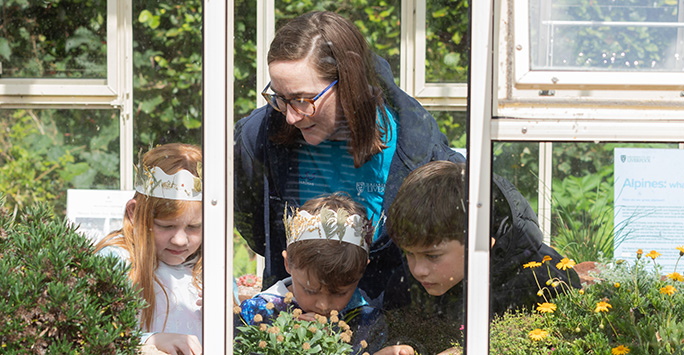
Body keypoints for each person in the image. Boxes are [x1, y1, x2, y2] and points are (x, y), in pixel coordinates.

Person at [233, 10, 465, 302]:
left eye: (303, 100)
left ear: (349, 84)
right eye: (279, 98)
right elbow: (255, 224)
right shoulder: (258, 136)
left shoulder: (415, 148)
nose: (290, 117)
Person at [382, 160, 580, 354]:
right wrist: (407, 347)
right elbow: (406, 330)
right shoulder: (404, 283)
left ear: (479, 243)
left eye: (432, 256)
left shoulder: (544, 279)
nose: (418, 270)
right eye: (409, 253)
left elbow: (568, 341)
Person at [234, 192, 386, 353]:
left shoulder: (366, 322)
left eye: (339, 293)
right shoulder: (259, 313)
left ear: (362, 270)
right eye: (310, 290)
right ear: (288, 263)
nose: (323, 305)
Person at [95, 143, 203, 355]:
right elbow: (93, 331)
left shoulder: (208, 268)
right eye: (166, 225)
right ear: (134, 213)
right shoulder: (117, 261)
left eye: (194, 227)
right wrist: (148, 342)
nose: (180, 240)